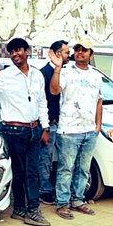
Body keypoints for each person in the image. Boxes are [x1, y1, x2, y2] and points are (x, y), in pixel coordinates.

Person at [0, 37, 51, 226]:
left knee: (32, 171)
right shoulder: (4, 76)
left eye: (18, 50)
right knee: (20, 172)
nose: (15, 54)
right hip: (14, 130)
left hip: (34, 130)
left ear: (26, 51)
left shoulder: (37, 75)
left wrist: (45, 127)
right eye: (11, 52)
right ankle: (25, 209)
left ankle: (29, 209)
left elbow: (42, 102)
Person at [49, 38, 102, 218]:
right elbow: (54, 91)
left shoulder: (96, 75)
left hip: (89, 130)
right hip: (69, 130)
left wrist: (98, 126)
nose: (80, 52)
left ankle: (78, 200)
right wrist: (56, 69)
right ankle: (62, 203)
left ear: (90, 54)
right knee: (66, 168)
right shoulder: (65, 72)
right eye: (77, 49)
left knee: (83, 169)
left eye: (84, 50)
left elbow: (99, 101)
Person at [38, 40, 67, 205]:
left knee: (60, 159)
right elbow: (42, 102)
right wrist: (45, 127)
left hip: (64, 124)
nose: (68, 56)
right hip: (50, 124)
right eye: (66, 53)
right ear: (57, 54)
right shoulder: (44, 73)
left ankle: (56, 189)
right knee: (46, 158)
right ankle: (45, 190)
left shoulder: (66, 72)